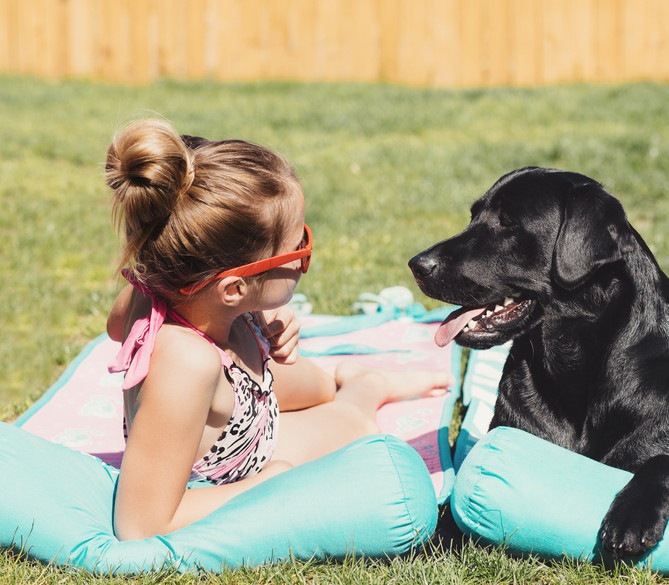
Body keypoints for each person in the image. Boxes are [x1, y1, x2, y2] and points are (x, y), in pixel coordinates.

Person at [104, 118, 451, 541]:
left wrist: (258, 314)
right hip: (247, 455)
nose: (305, 252)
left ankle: (343, 377)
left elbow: (119, 319)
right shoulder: (186, 363)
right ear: (233, 286)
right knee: (351, 419)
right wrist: (267, 484)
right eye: (297, 247)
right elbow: (141, 526)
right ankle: (370, 386)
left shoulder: (173, 292)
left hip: (242, 389)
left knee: (321, 387)